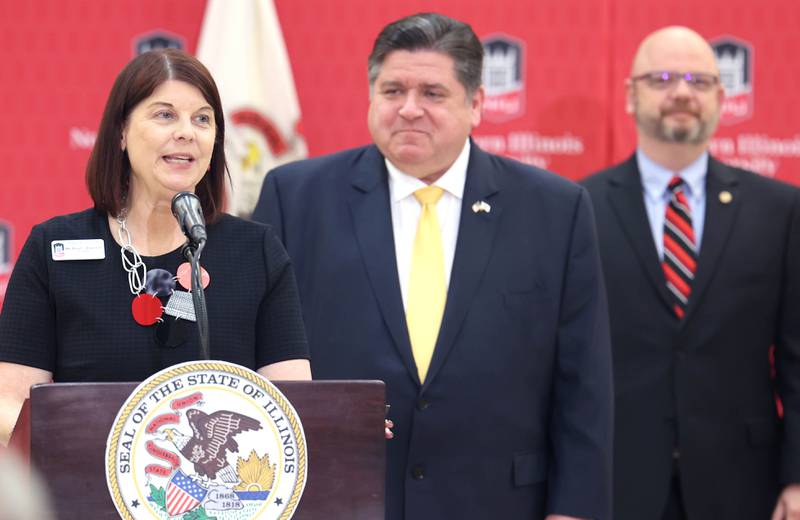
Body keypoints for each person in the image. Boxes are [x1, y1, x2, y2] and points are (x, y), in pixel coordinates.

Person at [252, 13, 612, 520]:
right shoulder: (295, 197)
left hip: (499, 502)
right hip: (338, 499)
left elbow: (584, 385)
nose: (409, 109)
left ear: (478, 104)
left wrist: (575, 510)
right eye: (392, 90)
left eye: (433, 94)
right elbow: (257, 357)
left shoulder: (556, 209)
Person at [0, 49, 311, 445]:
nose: (186, 131)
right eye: (165, 115)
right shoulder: (54, 248)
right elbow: (10, 407)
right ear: (121, 133)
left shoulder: (256, 251)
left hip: (221, 497)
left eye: (202, 119)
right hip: (87, 495)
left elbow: (294, 408)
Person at [582, 26, 800, 520]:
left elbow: (796, 359)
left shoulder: (780, 209)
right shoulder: (578, 207)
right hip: (615, 481)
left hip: (745, 486)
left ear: (722, 98)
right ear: (630, 95)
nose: (682, 92)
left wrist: (797, 476)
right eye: (661, 78)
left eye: (699, 81)